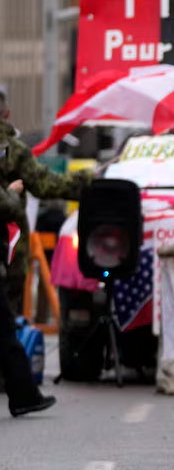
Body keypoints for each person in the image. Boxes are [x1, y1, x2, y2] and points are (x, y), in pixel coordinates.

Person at [1, 89, 91, 416]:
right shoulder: (14, 150)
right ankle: (22, 392)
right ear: (7, 113)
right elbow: (47, 185)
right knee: (5, 321)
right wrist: (89, 181)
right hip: (8, 248)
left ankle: (20, 389)